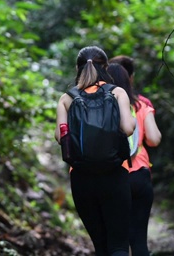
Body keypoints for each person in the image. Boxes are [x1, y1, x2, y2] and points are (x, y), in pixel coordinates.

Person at [55, 46, 136, 256]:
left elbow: (59, 137)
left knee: (100, 246)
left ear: (78, 68)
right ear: (106, 67)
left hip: (82, 179)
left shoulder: (67, 98)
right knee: (118, 245)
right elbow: (127, 129)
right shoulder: (117, 93)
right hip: (114, 175)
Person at [107, 62, 162, 256]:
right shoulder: (141, 104)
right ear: (130, 79)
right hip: (140, 174)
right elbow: (154, 139)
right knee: (139, 240)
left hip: (113, 176)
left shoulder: (104, 105)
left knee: (116, 242)